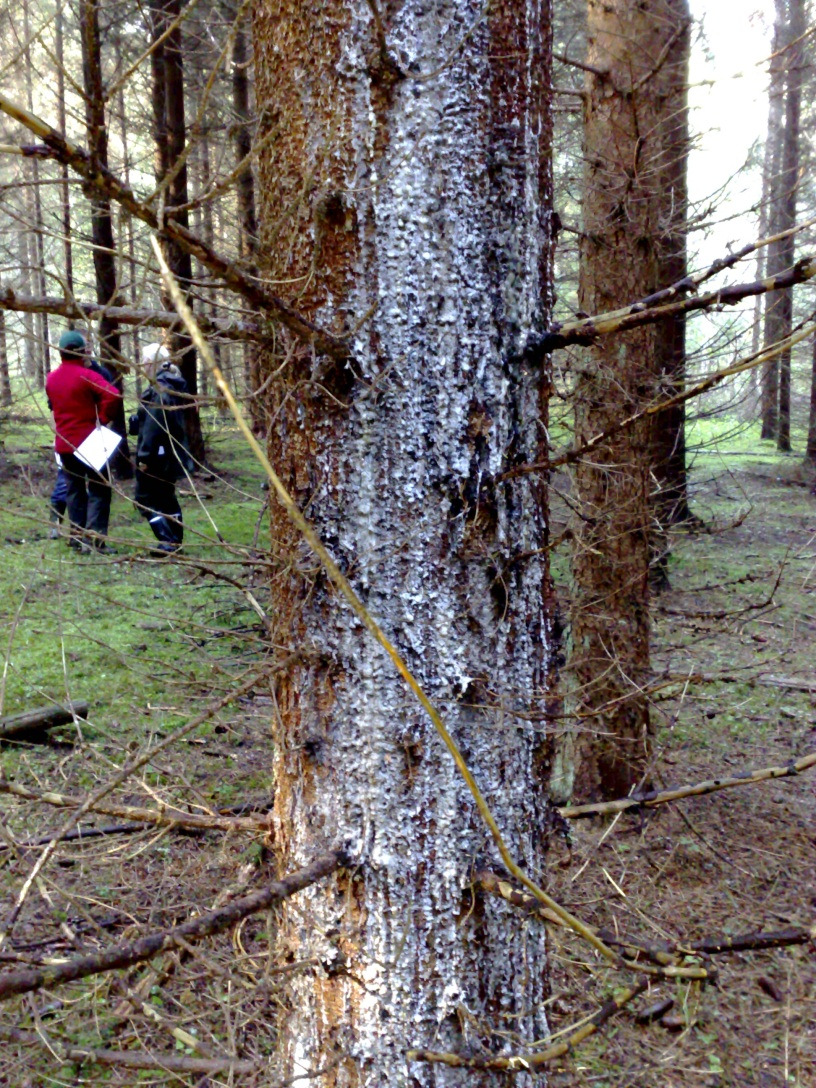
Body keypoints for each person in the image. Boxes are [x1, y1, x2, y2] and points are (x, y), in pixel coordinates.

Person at [45, 329, 122, 552]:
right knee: (99, 490)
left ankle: (77, 539)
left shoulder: (51, 378)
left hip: (64, 444)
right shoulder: (85, 375)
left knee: (74, 490)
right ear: (82, 353)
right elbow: (113, 394)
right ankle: (95, 541)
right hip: (90, 443)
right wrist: (103, 417)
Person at [130, 343, 191, 554]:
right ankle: (175, 541)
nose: (142, 366)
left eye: (144, 362)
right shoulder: (171, 384)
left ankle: (167, 541)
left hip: (158, 455)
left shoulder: (160, 390)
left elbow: (155, 427)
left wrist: (144, 456)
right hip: (170, 453)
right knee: (166, 496)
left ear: (149, 363)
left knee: (145, 499)